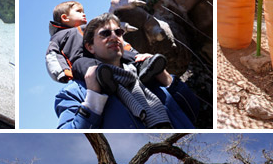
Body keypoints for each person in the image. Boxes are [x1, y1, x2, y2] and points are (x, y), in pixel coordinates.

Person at [55, 13, 198, 129]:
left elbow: (192, 112)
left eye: (118, 32)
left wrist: (165, 77)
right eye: (105, 33)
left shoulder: (148, 74)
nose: (114, 37)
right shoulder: (75, 93)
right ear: (90, 47)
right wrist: (93, 98)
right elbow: (70, 137)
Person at [46, 0, 165, 85]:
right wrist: (62, 72)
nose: (84, 13)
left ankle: (144, 64)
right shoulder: (58, 37)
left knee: (116, 49)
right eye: (79, 11)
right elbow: (53, 55)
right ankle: (102, 77)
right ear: (65, 18)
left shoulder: (91, 28)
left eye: (83, 11)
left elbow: (113, 38)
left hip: (103, 53)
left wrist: (131, 51)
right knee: (81, 64)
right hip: (81, 60)